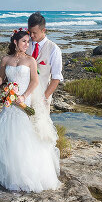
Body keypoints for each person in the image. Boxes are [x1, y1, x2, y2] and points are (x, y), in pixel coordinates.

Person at [0, 29, 60, 192]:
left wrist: (24, 96)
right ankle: (9, 175)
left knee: (24, 137)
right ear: (15, 42)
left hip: (24, 103)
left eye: (28, 41)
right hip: (9, 104)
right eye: (24, 41)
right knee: (7, 136)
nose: (27, 44)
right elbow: (0, 81)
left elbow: (35, 81)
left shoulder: (30, 60)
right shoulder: (6, 59)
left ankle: (26, 176)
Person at [25, 12, 62, 145]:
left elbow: (56, 78)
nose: (31, 36)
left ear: (43, 30)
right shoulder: (25, 44)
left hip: (42, 97)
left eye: (34, 33)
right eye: (29, 32)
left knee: (40, 132)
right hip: (23, 95)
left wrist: (44, 98)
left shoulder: (54, 49)